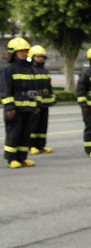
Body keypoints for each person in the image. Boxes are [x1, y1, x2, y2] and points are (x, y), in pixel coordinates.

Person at [2, 37, 38, 168]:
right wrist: (10, 107)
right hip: (15, 109)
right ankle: (11, 159)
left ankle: (22, 158)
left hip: (28, 107)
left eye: (25, 51)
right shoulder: (8, 69)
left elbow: (34, 88)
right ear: (13, 52)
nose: (23, 53)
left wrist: (36, 105)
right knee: (14, 134)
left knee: (25, 134)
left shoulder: (30, 68)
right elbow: (5, 89)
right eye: (20, 51)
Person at [29, 44, 55, 155]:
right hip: (34, 102)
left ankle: (41, 145)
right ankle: (31, 146)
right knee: (33, 125)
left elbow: (49, 86)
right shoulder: (30, 70)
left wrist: (52, 96)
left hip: (45, 102)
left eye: (42, 56)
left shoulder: (45, 71)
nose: (40, 58)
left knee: (43, 125)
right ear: (32, 57)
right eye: (38, 56)